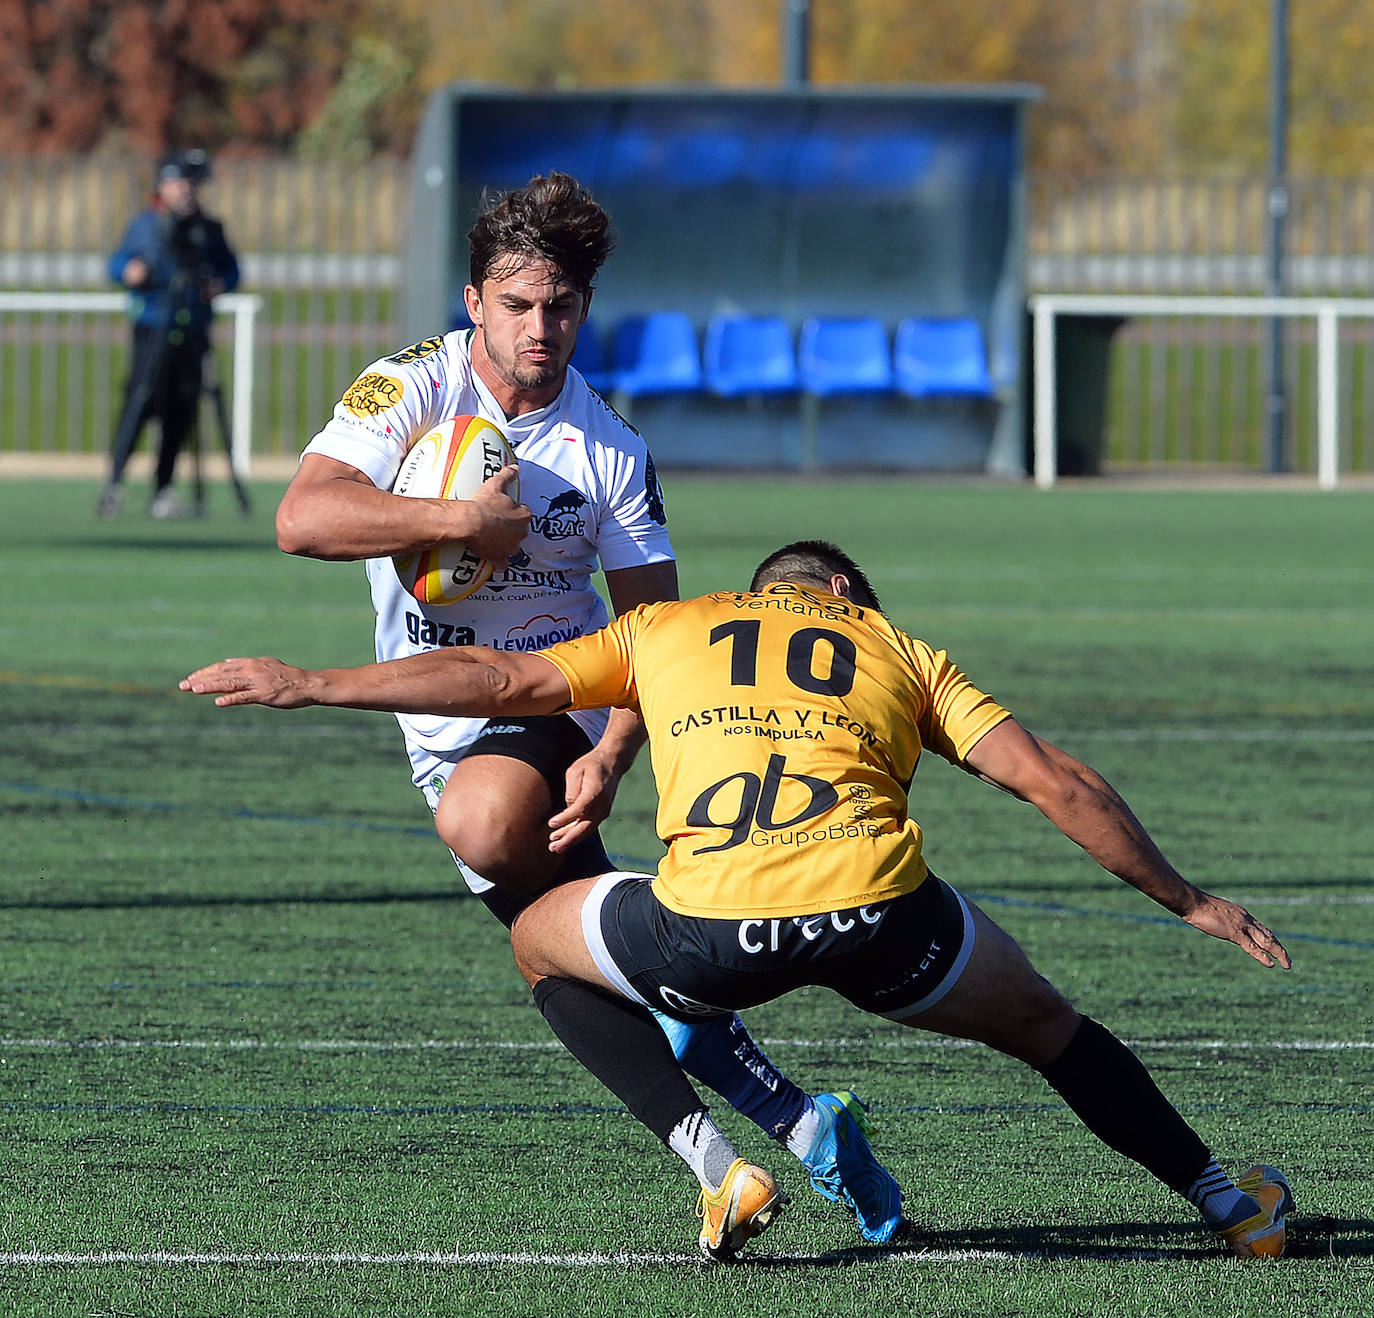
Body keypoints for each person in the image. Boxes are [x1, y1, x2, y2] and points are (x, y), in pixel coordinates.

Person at [182, 539, 1295, 1264]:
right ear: (848, 596)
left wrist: (311, 680)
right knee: (1053, 1030)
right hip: (883, 917)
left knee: (536, 942)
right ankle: (1227, 1202)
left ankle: (720, 1168)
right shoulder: (902, 651)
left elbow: (497, 678)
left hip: (710, 931)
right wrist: (1187, 898)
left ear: (759, 593)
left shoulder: (669, 628)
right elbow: (1058, 782)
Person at [265, 174, 902, 1245]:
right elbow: (302, 517)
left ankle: (755, 1127)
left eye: (560, 307)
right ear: (475, 304)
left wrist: (609, 752)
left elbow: (658, 635)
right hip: (437, 726)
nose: (539, 328)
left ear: (583, 311)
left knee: (485, 839)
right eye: (517, 306)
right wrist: (458, 516)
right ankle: (772, 1140)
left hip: (550, 714)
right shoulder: (407, 388)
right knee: (562, 955)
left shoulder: (608, 448)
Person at [99, 149, 241, 520]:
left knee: (182, 408)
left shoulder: (208, 230)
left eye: (193, 184)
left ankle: (163, 488)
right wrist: (130, 271)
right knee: (141, 400)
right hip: (152, 327)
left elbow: (231, 271)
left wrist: (219, 285)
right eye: (180, 183)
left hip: (190, 330)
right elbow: (117, 264)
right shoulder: (146, 225)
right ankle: (113, 485)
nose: (187, 191)